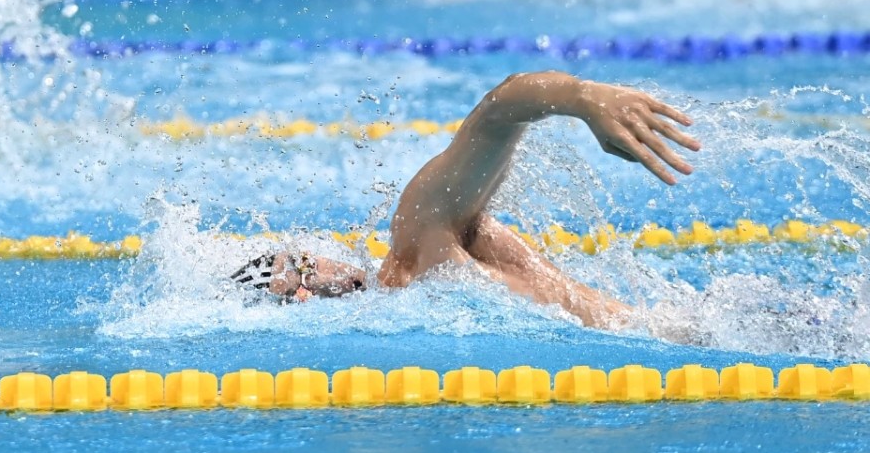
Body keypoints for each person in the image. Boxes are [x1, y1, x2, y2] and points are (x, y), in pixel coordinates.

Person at [230, 71, 701, 328]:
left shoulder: (419, 247)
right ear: (304, 301)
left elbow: (498, 109)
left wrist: (584, 97)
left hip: (685, 334)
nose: (321, 265)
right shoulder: (416, 266)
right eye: (304, 271)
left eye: (306, 259)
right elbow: (494, 113)